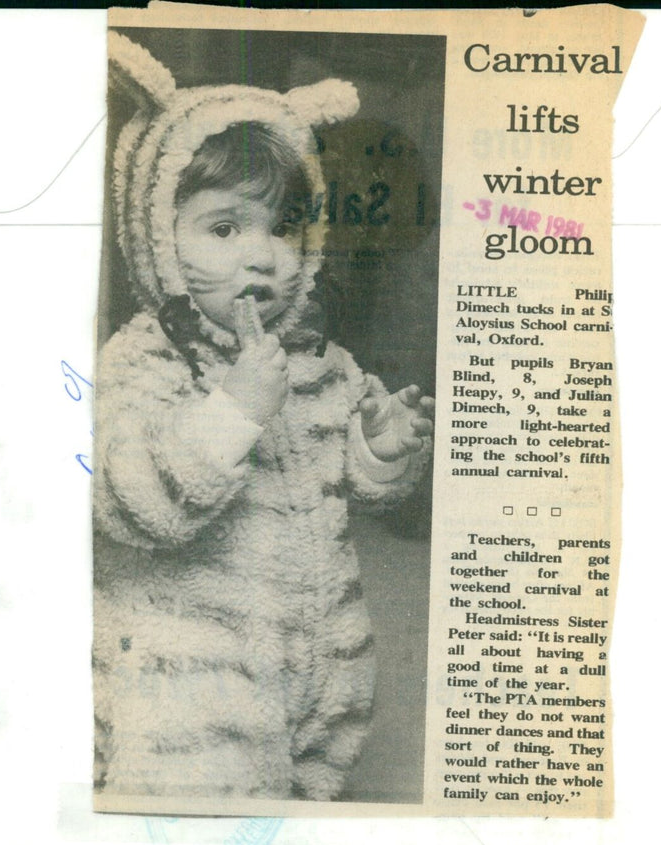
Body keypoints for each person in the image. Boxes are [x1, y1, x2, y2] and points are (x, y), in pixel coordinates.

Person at [93, 33, 434, 803]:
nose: (264, 256)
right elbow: (126, 498)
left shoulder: (321, 361)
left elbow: (363, 492)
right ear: (154, 235)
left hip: (314, 660)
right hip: (185, 672)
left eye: (283, 226)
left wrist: (378, 450)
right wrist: (232, 412)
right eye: (224, 229)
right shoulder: (142, 361)